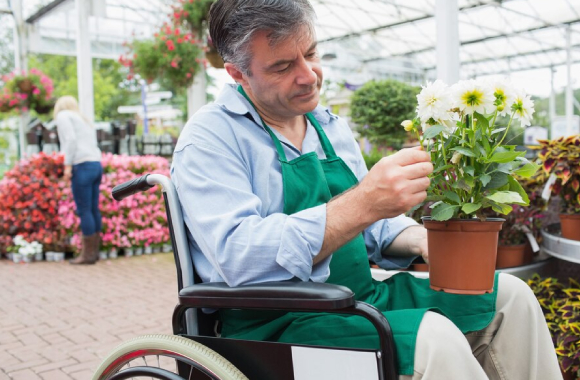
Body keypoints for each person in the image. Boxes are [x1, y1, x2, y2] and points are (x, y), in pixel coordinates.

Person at [171, 1, 561, 378]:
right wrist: (363, 202)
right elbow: (240, 256)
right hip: (277, 327)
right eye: (283, 66)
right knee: (433, 338)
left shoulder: (329, 126)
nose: (309, 75)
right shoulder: (210, 139)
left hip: (358, 301)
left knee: (510, 297)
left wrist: (425, 240)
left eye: (311, 53)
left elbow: (373, 230)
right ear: (238, 74)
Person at [54, 96, 102, 265]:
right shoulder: (83, 118)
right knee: (93, 209)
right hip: (96, 164)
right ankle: (94, 253)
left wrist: (67, 165)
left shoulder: (63, 116)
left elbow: (70, 140)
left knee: (84, 210)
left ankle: (87, 255)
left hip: (81, 165)